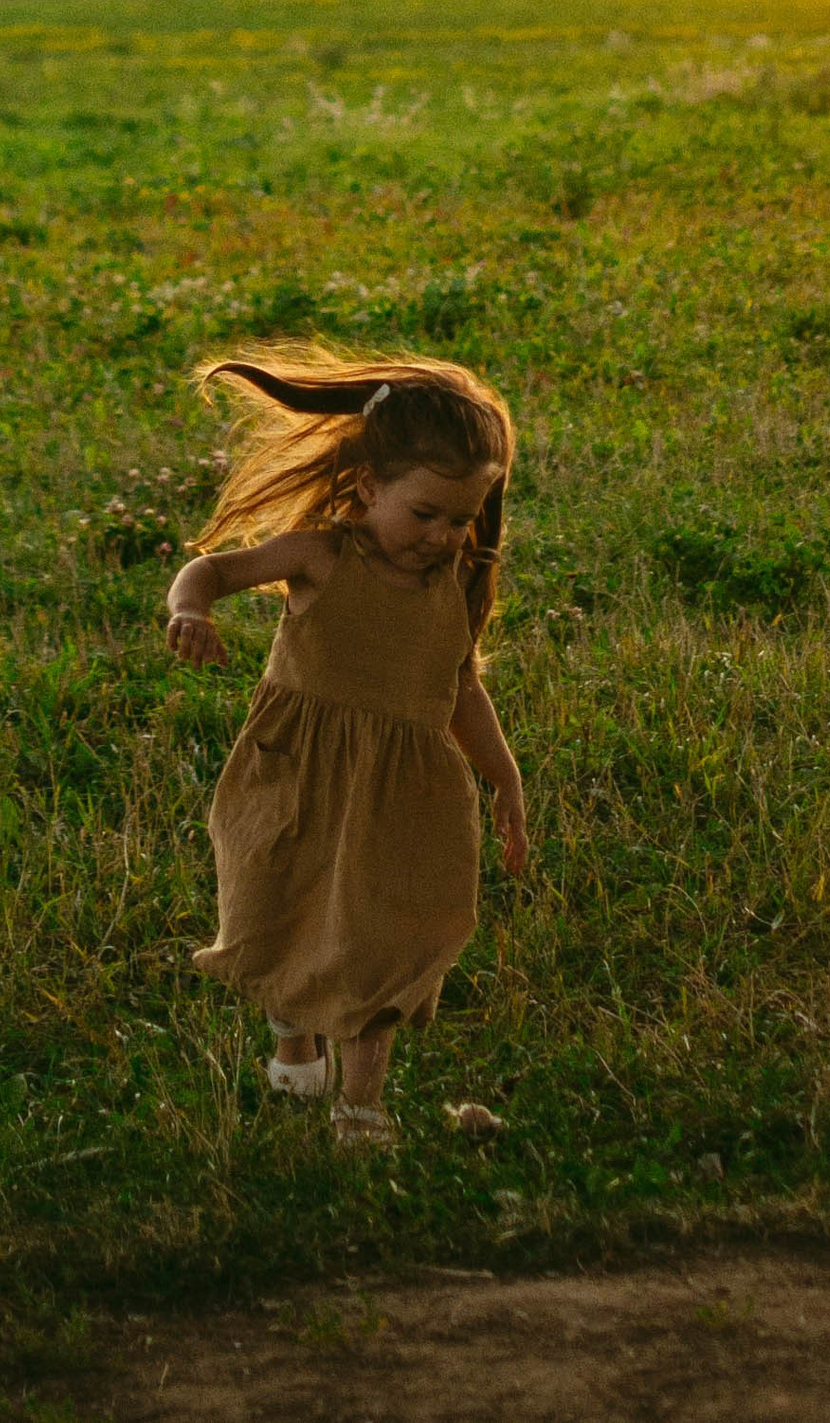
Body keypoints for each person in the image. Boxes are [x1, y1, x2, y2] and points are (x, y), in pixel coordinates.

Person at [164, 347, 528, 1146]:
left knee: (382, 942)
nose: (442, 536)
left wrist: (505, 779)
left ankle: (360, 1107)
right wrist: (190, 612)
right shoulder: (320, 556)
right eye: (424, 514)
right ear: (367, 488)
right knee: (283, 912)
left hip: (405, 793)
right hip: (297, 774)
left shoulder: (457, 581)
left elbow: (461, 689)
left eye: (460, 519)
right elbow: (210, 571)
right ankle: (293, 1031)